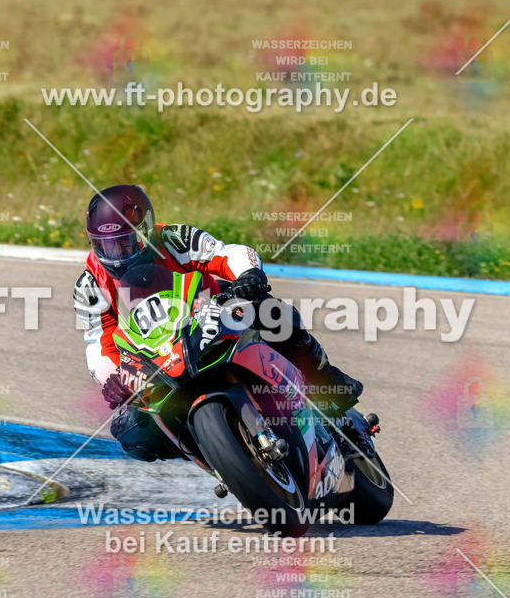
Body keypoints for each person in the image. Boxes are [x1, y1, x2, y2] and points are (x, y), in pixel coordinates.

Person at [72, 184, 362, 461]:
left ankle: (329, 385)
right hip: (152, 353)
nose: (118, 255)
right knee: (131, 432)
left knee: (274, 315)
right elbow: (99, 343)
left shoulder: (173, 238)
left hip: (211, 311)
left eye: (126, 242)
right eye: (106, 247)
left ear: (146, 229)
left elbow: (224, 253)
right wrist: (112, 378)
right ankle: (210, 449)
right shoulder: (90, 285)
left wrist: (249, 275)